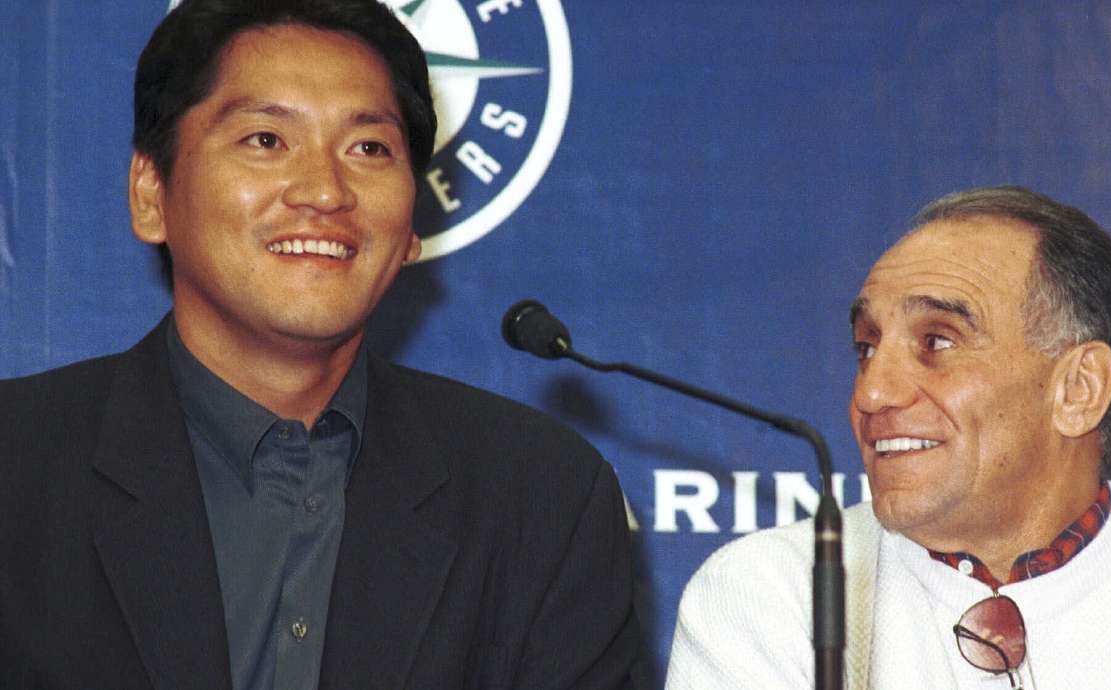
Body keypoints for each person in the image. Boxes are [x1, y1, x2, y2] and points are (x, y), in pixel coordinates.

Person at [0, 1, 640, 688]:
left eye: (369, 149)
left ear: (412, 228)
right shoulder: (18, 465)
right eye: (266, 140)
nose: (324, 192)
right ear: (151, 193)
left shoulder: (540, 498)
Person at [664, 186, 1111, 689]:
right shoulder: (769, 594)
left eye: (937, 341)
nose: (873, 393)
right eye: (866, 348)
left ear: (1078, 389)